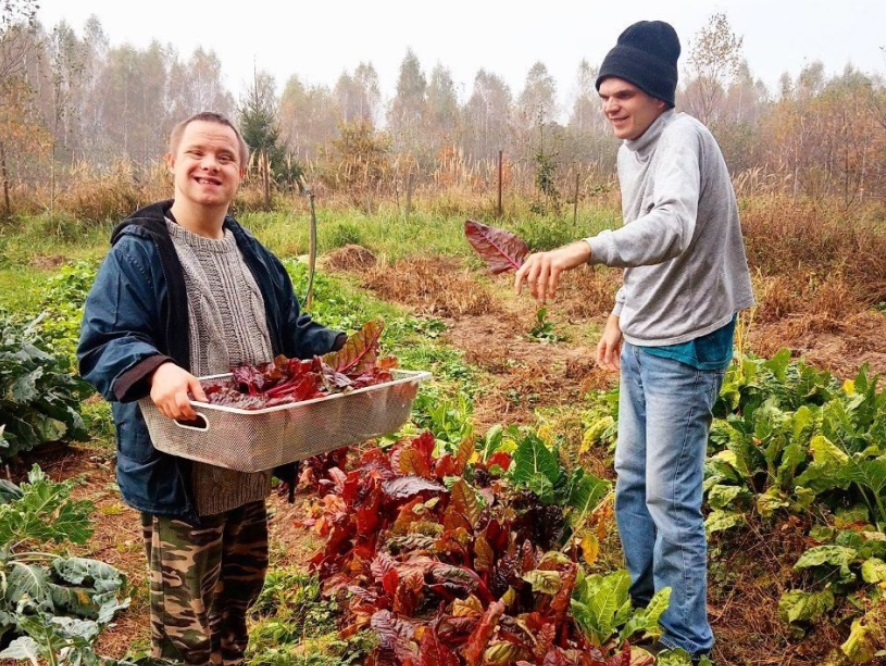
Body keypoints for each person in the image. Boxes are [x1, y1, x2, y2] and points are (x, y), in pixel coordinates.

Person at [514, 20, 755, 661]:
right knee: (630, 481)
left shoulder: (681, 139)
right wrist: (620, 311)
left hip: (689, 338)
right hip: (647, 332)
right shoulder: (631, 151)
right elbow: (643, 240)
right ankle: (648, 611)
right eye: (604, 96)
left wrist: (582, 251)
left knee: (670, 497)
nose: (610, 107)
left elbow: (672, 225)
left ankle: (685, 644)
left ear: (657, 95)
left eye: (622, 94)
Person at [78, 111, 345, 665]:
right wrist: (155, 369)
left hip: (247, 468)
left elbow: (289, 331)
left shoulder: (255, 256)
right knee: (186, 632)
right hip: (181, 476)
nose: (210, 165)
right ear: (172, 162)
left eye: (225, 157)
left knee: (234, 607)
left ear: (242, 172)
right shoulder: (141, 251)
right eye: (198, 152)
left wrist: (343, 352)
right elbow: (104, 341)